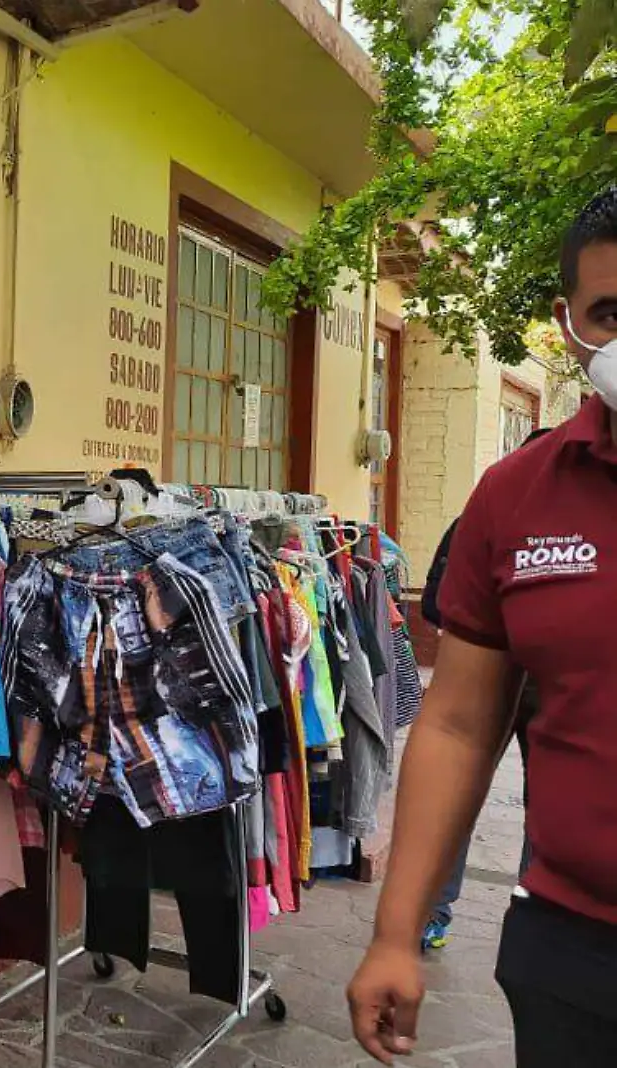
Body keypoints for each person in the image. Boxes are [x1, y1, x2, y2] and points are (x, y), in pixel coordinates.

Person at [347, 189, 617, 1066]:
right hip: (573, 952)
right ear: (569, 323)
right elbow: (460, 724)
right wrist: (396, 934)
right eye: (612, 312)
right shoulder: (516, 497)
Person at [415, 429, 547, 953]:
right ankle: (444, 909)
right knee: (466, 792)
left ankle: (450, 911)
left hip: (516, 682)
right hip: (492, 678)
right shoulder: (486, 517)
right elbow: (434, 599)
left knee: (522, 800)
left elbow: (431, 603)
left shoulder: (489, 516)